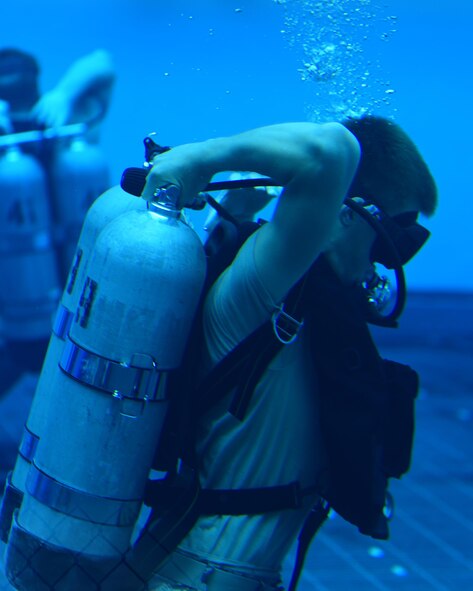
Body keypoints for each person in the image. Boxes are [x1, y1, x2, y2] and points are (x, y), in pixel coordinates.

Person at [136, 115, 437, 591]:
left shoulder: (297, 289)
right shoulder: (273, 278)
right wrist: (199, 157)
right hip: (210, 572)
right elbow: (331, 148)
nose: (381, 268)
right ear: (346, 213)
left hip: (207, 566)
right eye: (390, 242)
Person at [0, 48, 115, 395]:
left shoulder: (65, 123)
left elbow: (100, 63)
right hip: (62, 318)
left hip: (60, 317)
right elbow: (101, 64)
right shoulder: (77, 126)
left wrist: (63, 96)